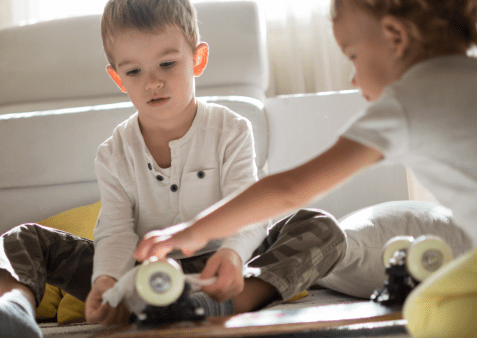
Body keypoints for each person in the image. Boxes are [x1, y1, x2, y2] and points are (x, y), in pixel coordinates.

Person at [0, 1, 346, 337]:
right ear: (116, 77)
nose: (153, 83)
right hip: (138, 274)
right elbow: (115, 229)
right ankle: (13, 314)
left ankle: (219, 306)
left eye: (167, 64)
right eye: (134, 71)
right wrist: (107, 280)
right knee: (22, 238)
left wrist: (234, 255)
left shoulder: (231, 128)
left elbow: (249, 205)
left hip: (223, 269)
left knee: (320, 227)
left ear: (197, 60)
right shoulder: (113, 151)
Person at [134, 0, 477, 337]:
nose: (354, 78)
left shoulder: (406, 101)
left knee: (425, 310)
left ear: (396, 37)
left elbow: (290, 190)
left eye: (352, 56)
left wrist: (195, 231)